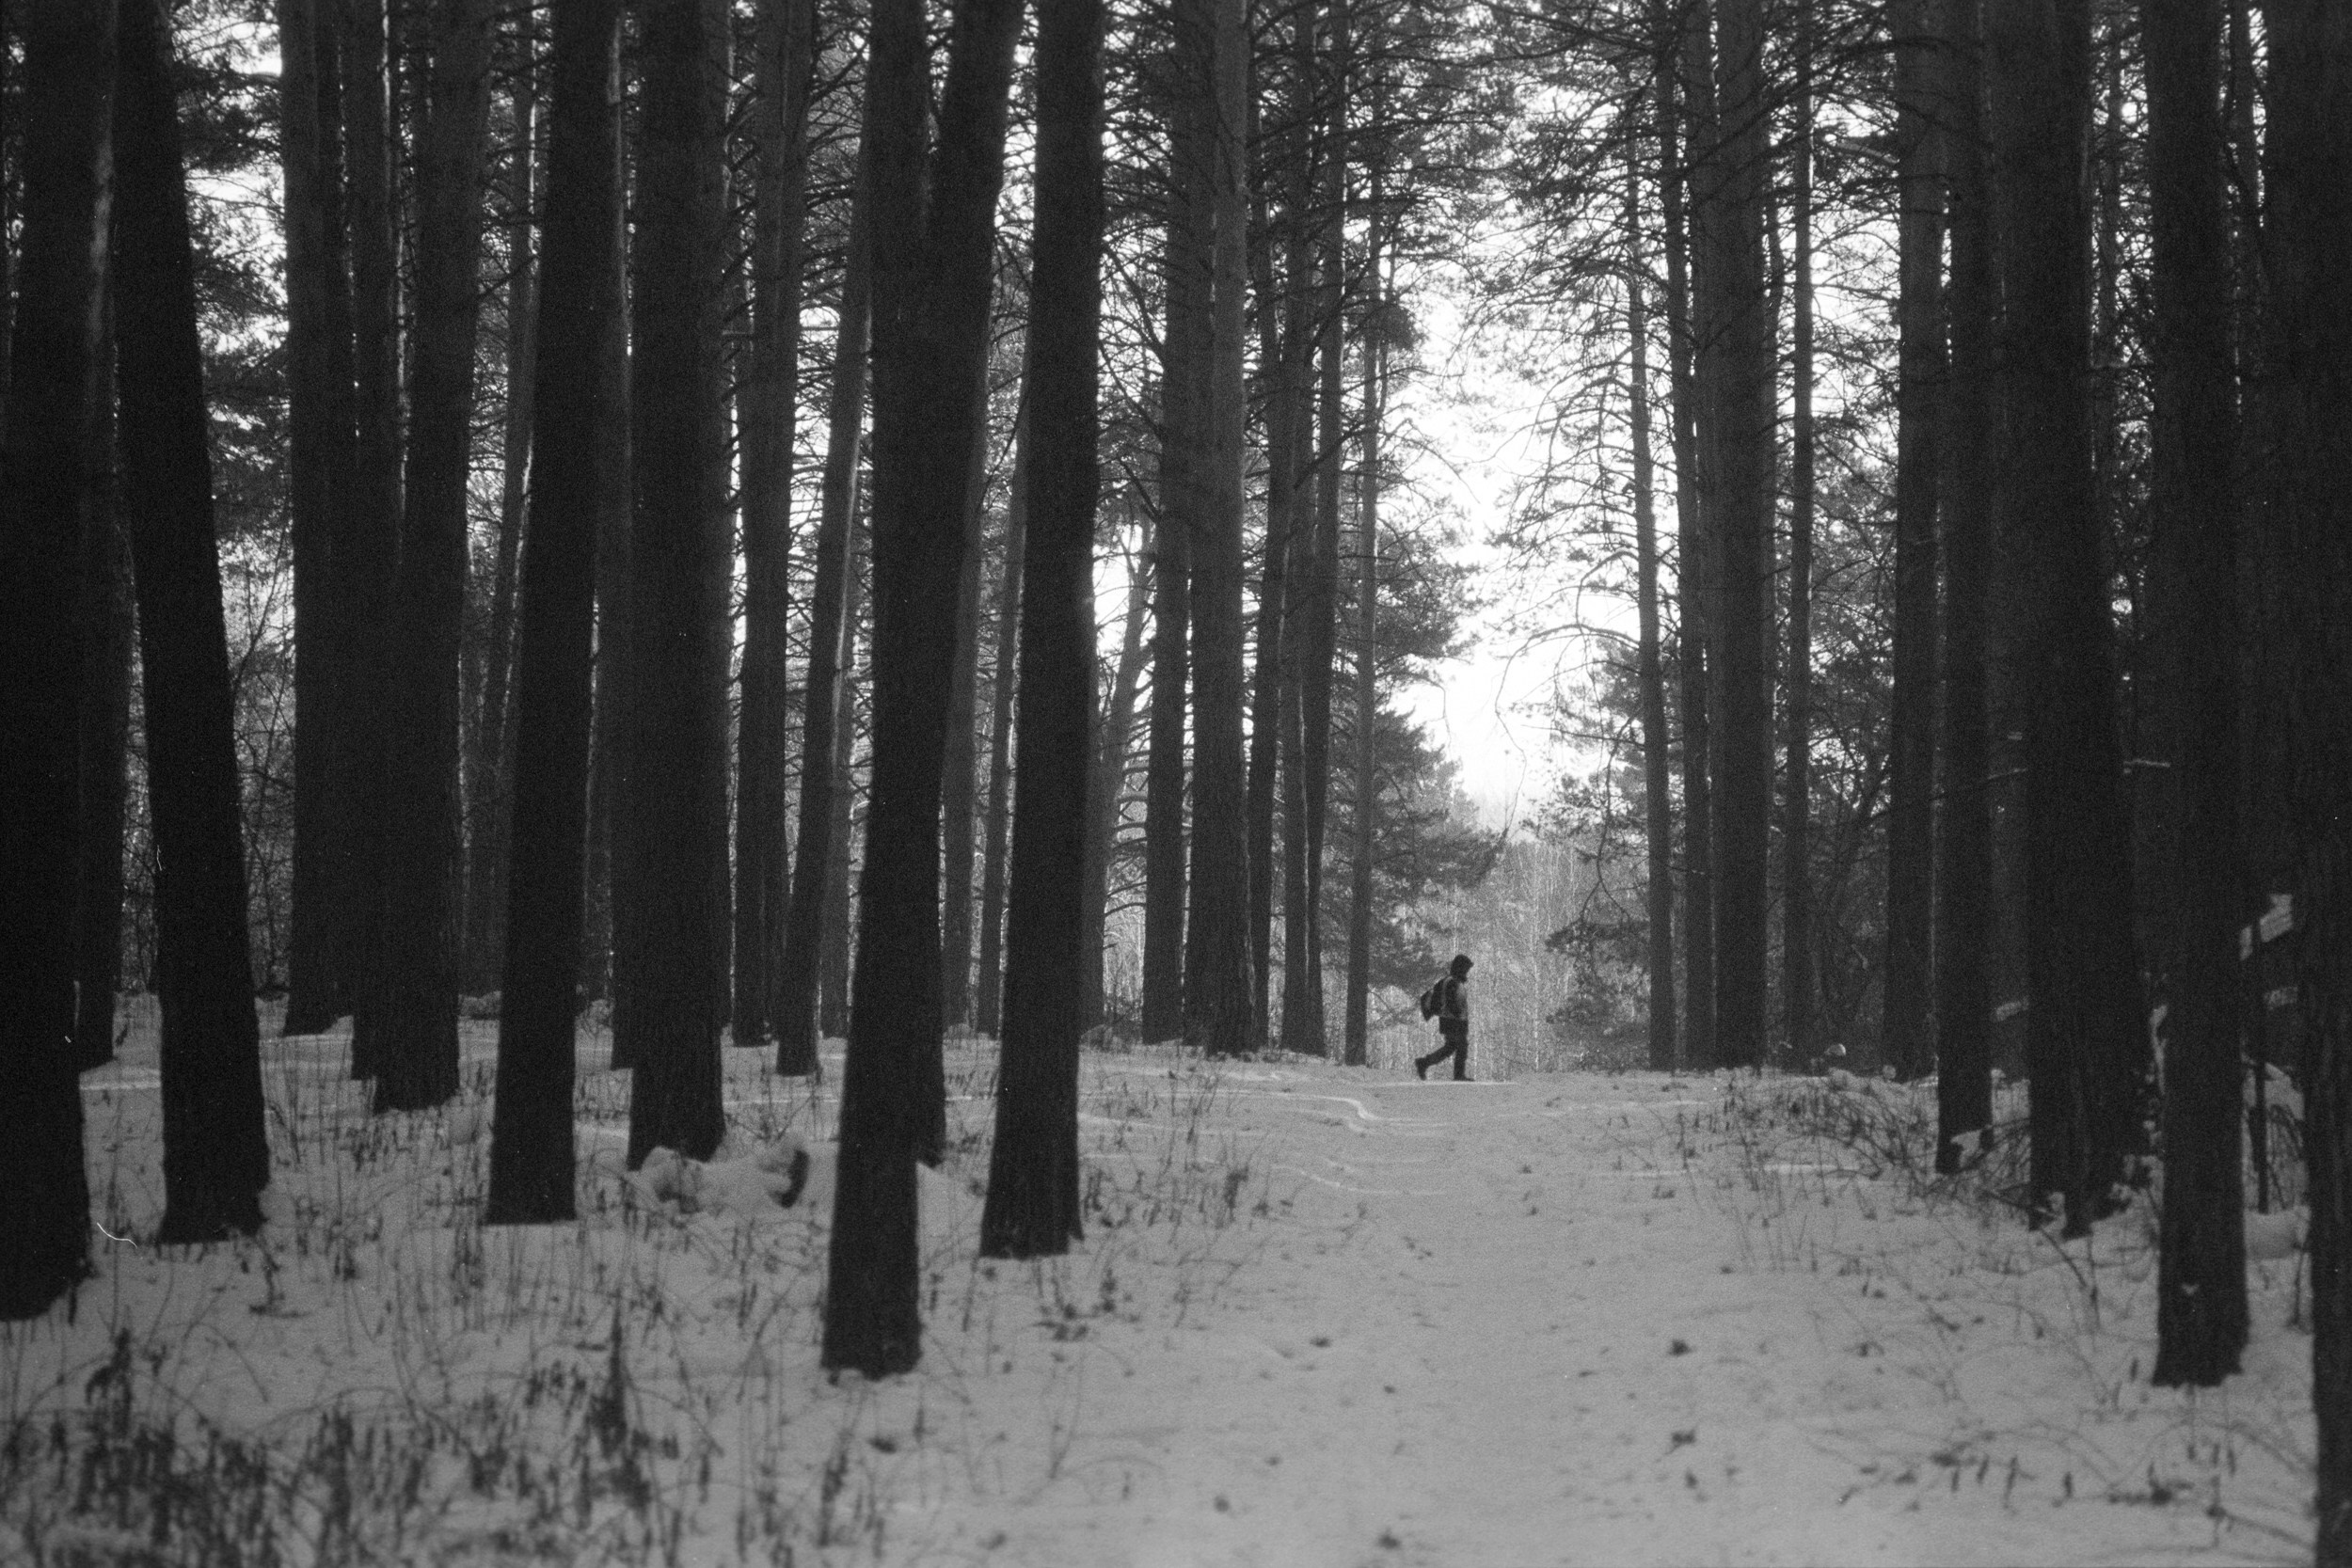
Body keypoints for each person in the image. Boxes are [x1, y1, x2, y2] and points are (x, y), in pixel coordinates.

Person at [1415, 953, 1473, 1081]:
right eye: (1466, 968)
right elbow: (1452, 1002)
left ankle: (1424, 1063)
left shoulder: (1452, 981)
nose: (1467, 971)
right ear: (1461, 967)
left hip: (1451, 1020)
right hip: (1453, 1021)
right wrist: (1458, 1014)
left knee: (1450, 1048)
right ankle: (1459, 1075)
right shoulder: (1452, 982)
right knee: (1461, 1047)